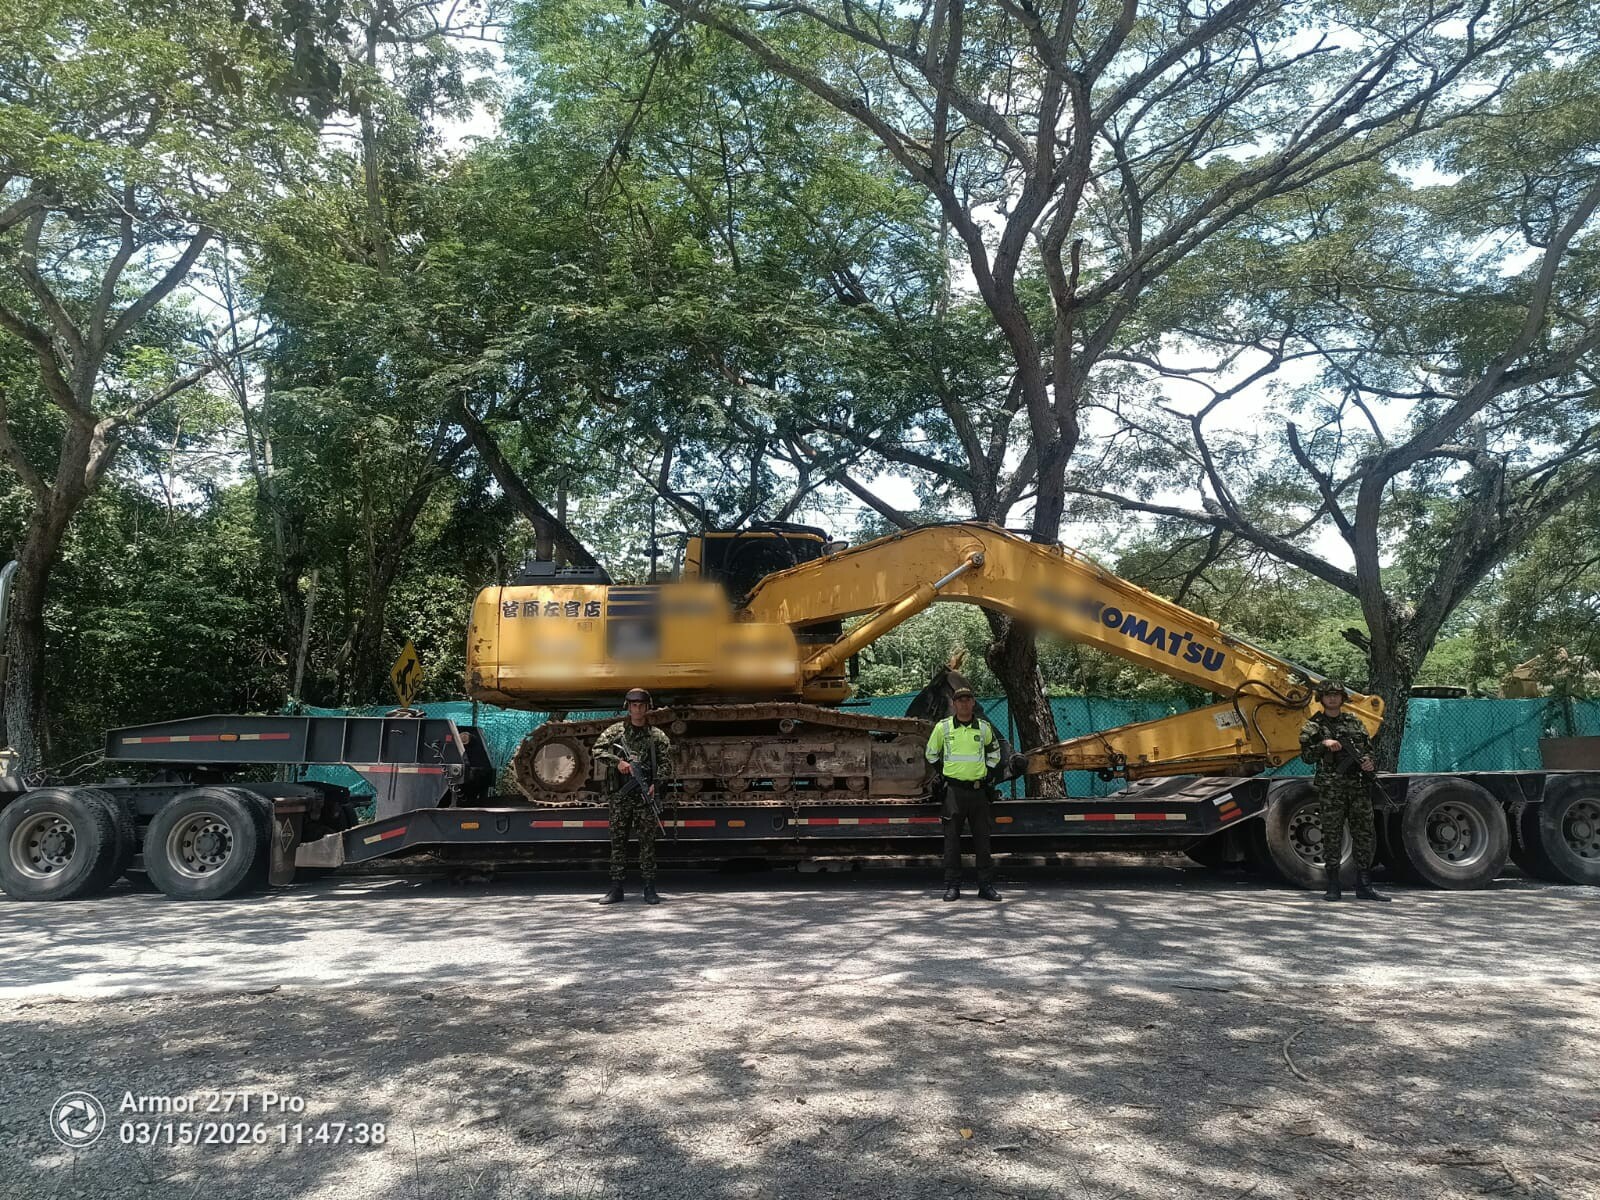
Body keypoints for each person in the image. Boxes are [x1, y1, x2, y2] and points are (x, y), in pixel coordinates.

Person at [1298, 680, 1390, 903]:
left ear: (1342, 698)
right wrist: (1324, 744)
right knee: (1332, 834)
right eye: (1328, 695)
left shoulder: (1354, 722)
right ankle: (1333, 885)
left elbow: (1368, 750)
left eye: (1336, 695)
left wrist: (1369, 762)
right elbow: (1306, 756)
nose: (1332, 698)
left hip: (1358, 786)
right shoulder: (1314, 726)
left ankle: (1364, 885)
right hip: (1332, 789)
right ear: (1321, 698)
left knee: (1364, 834)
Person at [593, 687, 672, 905]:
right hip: (620, 796)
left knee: (647, 843)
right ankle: (616, 888)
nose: (637, 709)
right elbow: (597, 750)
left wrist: (657, 784)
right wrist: (618, 762)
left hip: (645, 796)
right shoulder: (615, 732)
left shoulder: (656, 736)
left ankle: (649, 888)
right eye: (634, 705)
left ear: (647, 707)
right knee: (618, 842)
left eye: (641, 705)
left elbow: (666, 763)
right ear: (628, 707)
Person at [925, 686, 1003, 902]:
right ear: (954, 704)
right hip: (953, 792)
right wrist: (946, 772)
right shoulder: (944, 728)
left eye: (968, 699)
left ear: (973, 703)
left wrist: (988, 771)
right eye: (960, 700)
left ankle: (985, 886)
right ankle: (952, 886)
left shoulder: (984, 728)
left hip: (978, 792)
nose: (964, 703)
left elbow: (995, 751)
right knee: (951, 842)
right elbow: (930, 753)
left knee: (983, 842)